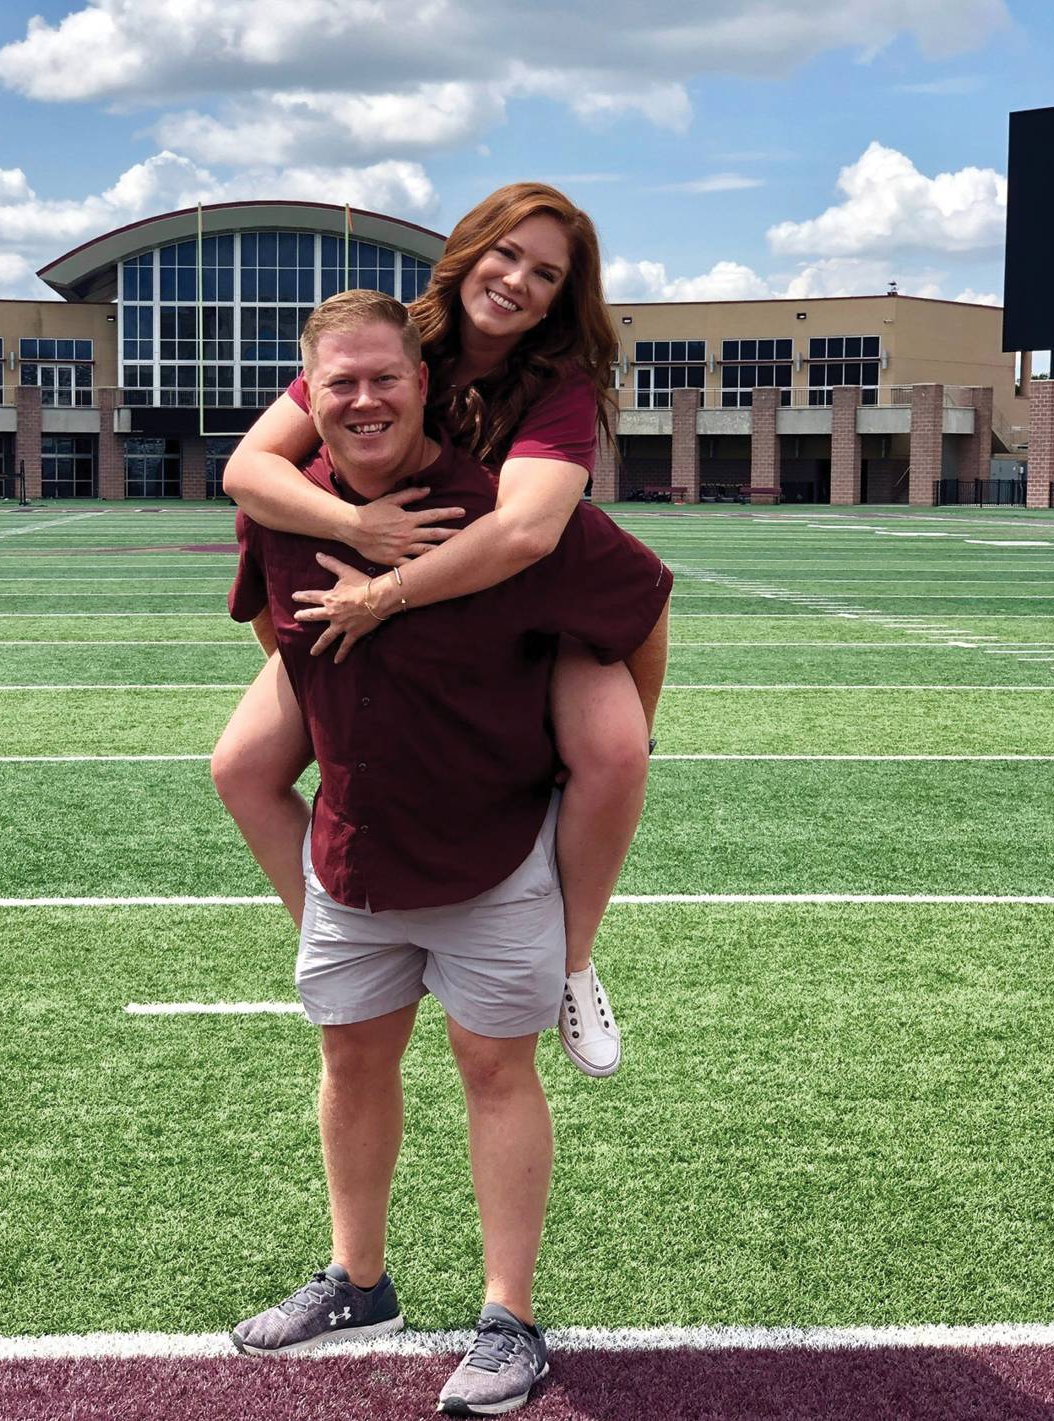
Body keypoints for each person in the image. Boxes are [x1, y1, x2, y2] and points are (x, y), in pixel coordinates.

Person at [223, 290, 672, 1417]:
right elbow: (280, 648)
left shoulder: (512, 515)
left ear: (428, 384)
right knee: (350, 1065)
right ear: (306, 398)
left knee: (494, 1071)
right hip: (356, 859)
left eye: (386, 377)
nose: (364, 398)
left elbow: (642, 596)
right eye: (340, 383)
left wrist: (621, 742)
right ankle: (357, 1279)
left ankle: (508, 1316)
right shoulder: (281, 514)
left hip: (491, 859)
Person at [215, 182, 668, 1079]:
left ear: (562, 295)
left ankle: (570, 959)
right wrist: (354, 531)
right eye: (506, 253)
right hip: (376, 593)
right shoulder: (387, 338)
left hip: (520, 597)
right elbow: (246, 467)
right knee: (240, 766)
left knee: (615, 750)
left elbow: (525, 533)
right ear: (469, 248)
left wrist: (384, 593)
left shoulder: (556, 384)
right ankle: (345, 933)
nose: (516, 282)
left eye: (545, 273)